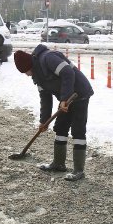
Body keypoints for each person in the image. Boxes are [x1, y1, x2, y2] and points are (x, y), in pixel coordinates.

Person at [13, 46, 94, 181]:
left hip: (79, 93)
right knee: (60, 127)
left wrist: (64, 98)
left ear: (29, 65)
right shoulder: (37, 75)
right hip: (66, 97)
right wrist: (43, 121)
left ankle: (79, 170)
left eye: (26, 71)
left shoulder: (48, 58)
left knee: (78, 130)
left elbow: (68, 73)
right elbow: (45, 98)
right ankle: (58, 164)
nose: (27, 74)